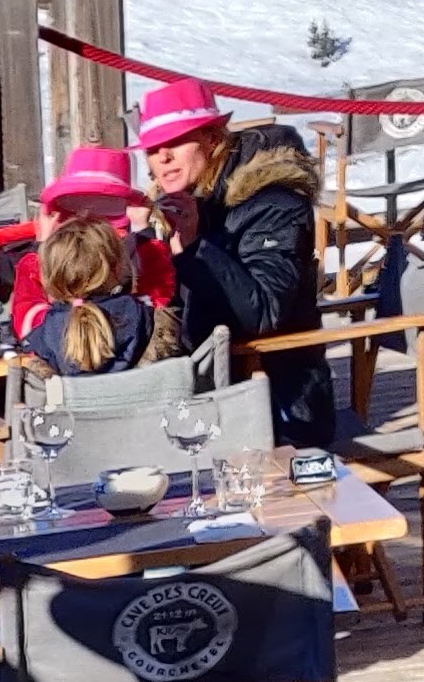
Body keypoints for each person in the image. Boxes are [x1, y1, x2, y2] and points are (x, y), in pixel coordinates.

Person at [133, 80, 333, 444]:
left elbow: (264, 313)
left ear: (212, 139)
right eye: (152, 149)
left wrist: (195, 247)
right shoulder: (184, 204)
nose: (163, 157)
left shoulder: (274, 202)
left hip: (278, 407)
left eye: (176, 141)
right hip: (202, 399)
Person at [7, 146, 176, 345]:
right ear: (117, 269)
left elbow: (27, 315)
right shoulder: (137, 320)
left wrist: (43, 246)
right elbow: (158, 294)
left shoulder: (48, 331)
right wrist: (142, 231)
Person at [13, 214, 178, 379]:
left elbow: (26, 306)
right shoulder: (151, 322)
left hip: (72, 397)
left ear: (48, 278)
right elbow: (159, 284)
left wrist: (42, 244)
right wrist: (141, 227)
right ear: (117, 268)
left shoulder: (44, 334)